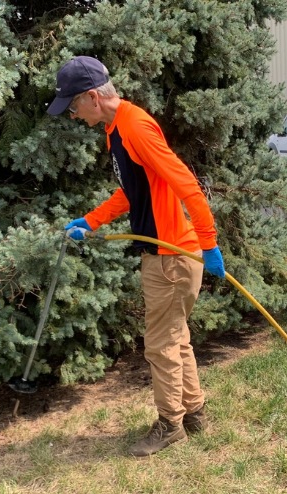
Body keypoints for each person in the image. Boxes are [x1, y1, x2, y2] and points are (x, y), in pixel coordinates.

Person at [47, 56, 226, 457]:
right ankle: (194, 413)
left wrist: (209, 243)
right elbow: (132, 191)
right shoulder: (116, 130)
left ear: (93, 97)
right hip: (165, 253)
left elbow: (187, 185)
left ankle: (170, 425)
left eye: (73, 106)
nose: (74, 116)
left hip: (171, 255)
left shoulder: (135, 128)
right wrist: (92, 221)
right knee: (176, 337)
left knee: (160, 344)